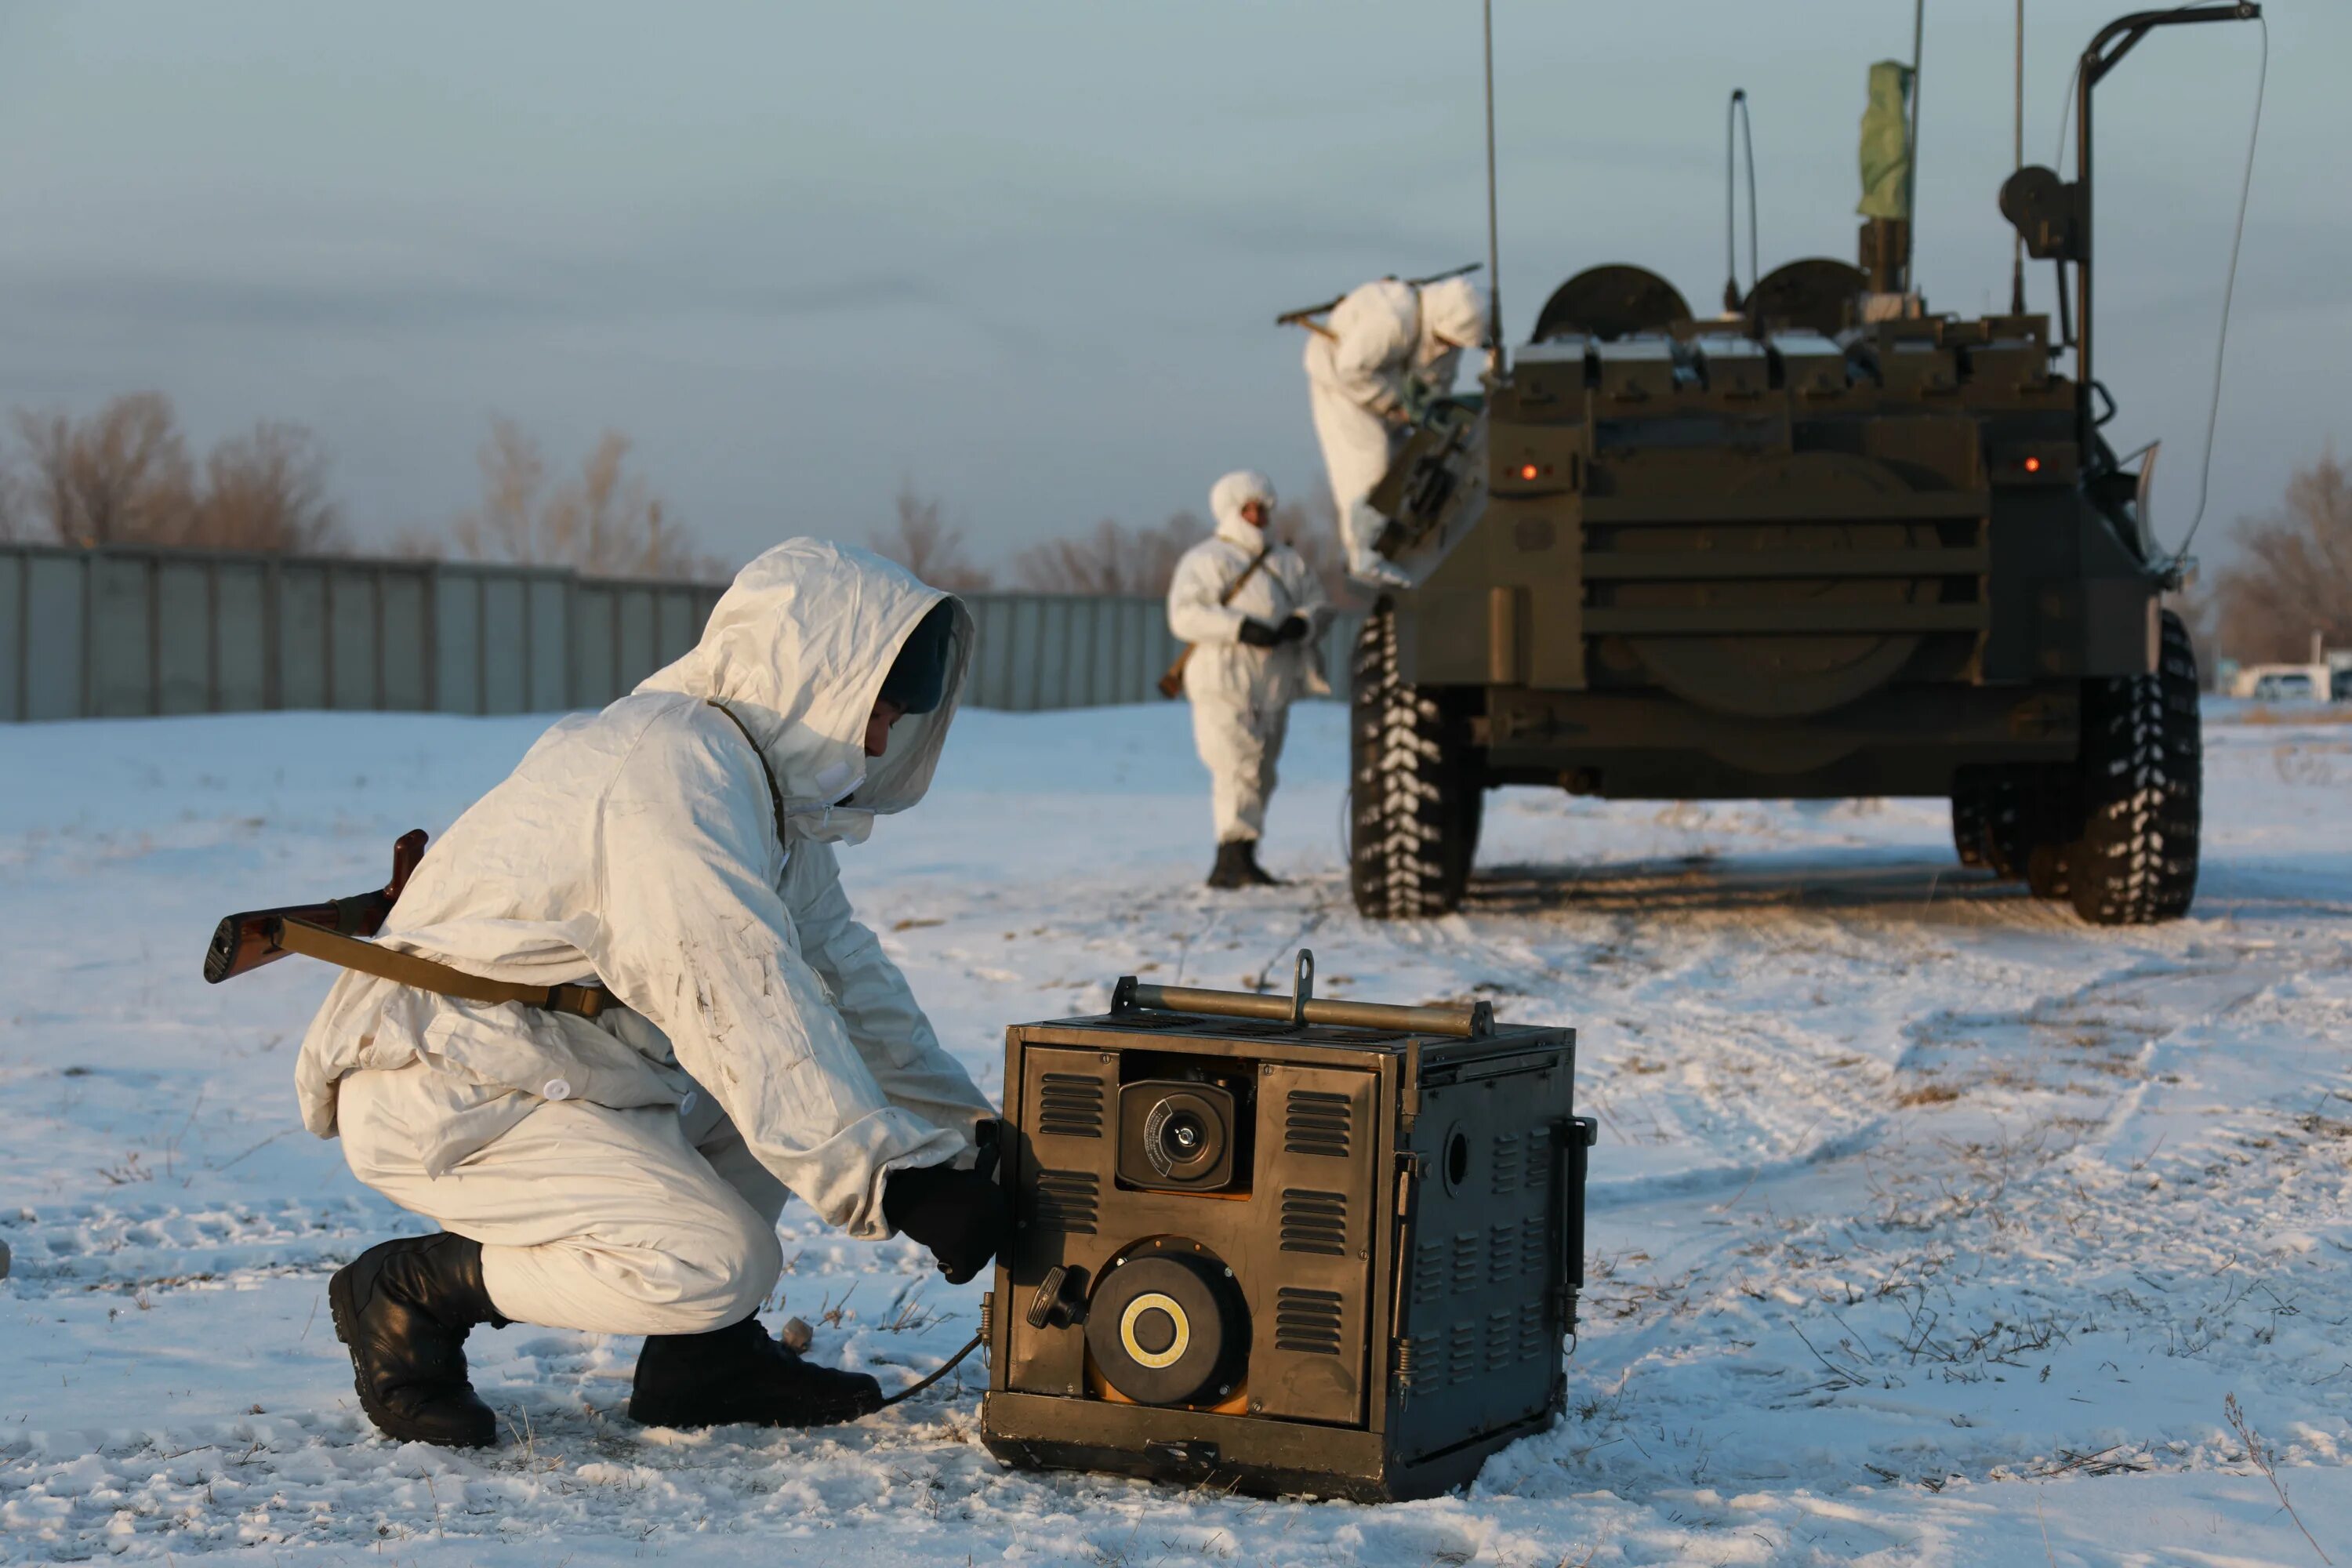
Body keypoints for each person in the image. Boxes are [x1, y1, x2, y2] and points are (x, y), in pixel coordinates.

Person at [295, 540, 1005, 1448]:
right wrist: (895, 1183)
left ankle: (702, 1361)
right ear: (805, 678)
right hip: (451, 1085)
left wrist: (968, 1134)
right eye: (872, 709)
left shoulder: (757, 790)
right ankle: (410, 1290)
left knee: (788, 1082)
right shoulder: (667, 778)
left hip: (565, 1067)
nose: (875, 742)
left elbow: (841, 980)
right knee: (721, 1258)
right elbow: (741, 1006)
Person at [1167, 470, 1331, 889]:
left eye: (1263, 507)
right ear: (1231, 510)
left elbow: (1319, 603)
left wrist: (1301, 624)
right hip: (1223, 679)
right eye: (1249, 508)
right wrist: (1239, 628)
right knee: (1234, 764)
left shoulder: (1286, 562)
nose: (1257, 515)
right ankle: (1230, 854)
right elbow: (1184, 615)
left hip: (1273, 681)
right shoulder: (1206, 560)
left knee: (1262, 769)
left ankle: (1245, 853)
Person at [1302, 274, 1488, 586]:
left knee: (1414, 460)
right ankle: (1364, 555)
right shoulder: (1394, 320)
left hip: (1388, 392)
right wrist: (1398, 403)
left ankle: (1399, 547)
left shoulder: (1448, 334)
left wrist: (1426, 410)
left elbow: (1437, 383)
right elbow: (1351, 368)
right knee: (1369, 464)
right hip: (1341, 389)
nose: (1450, 349)